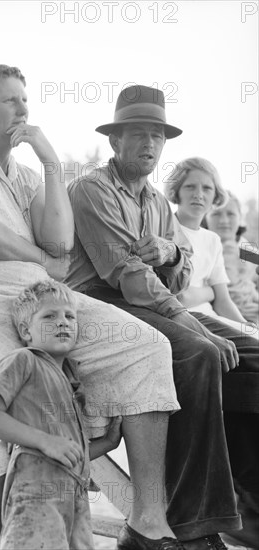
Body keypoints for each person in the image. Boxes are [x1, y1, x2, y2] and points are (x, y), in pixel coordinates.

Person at [0, 66, 182, 550]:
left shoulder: (27, 174)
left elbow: (60, 240)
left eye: (26, 100)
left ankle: (146, 520)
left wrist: (52, 163)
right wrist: (41, 259)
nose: (23, 109)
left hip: (37, 300)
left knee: (145, 347)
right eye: (10, 100)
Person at [65, 84, 259, 550]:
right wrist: (190, 320)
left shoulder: (154, 202)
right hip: (99, 302)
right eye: (137, 133)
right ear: (115, 141)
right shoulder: (92, 189)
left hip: (151, 302)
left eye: (157, 135)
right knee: (196, 353)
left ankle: (249, 504)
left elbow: (177, 275)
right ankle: (194, 520)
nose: (149, 144)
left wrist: (171, 253)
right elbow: (128, 278)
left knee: (253, 356)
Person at [0, 280, 122, 549]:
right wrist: (45, 441)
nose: (62, 322)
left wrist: (108, 444)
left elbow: (68, 454)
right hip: (35, 486)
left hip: (74, 494)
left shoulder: (71, 379)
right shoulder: (23, 360)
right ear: (26, 331)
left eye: (70, 316)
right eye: (49, 316)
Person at [163, 157, 257, 337]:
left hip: (213, 317)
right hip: (185, 320)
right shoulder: (165, 229)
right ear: (177, 191)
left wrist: (248, 327)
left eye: (207, 188)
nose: (198, 194)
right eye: (190, 186)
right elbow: (179, 297)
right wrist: (210, 291)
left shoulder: (214, 241)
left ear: (215, 195)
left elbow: (223, 300)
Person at [204, 190, 259, 325]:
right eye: (216, 213)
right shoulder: (203, 247)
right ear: (205, 217)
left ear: (240, 218)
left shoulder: (245, 249)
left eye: (231, 214)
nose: (224, 221)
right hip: (227, 317)